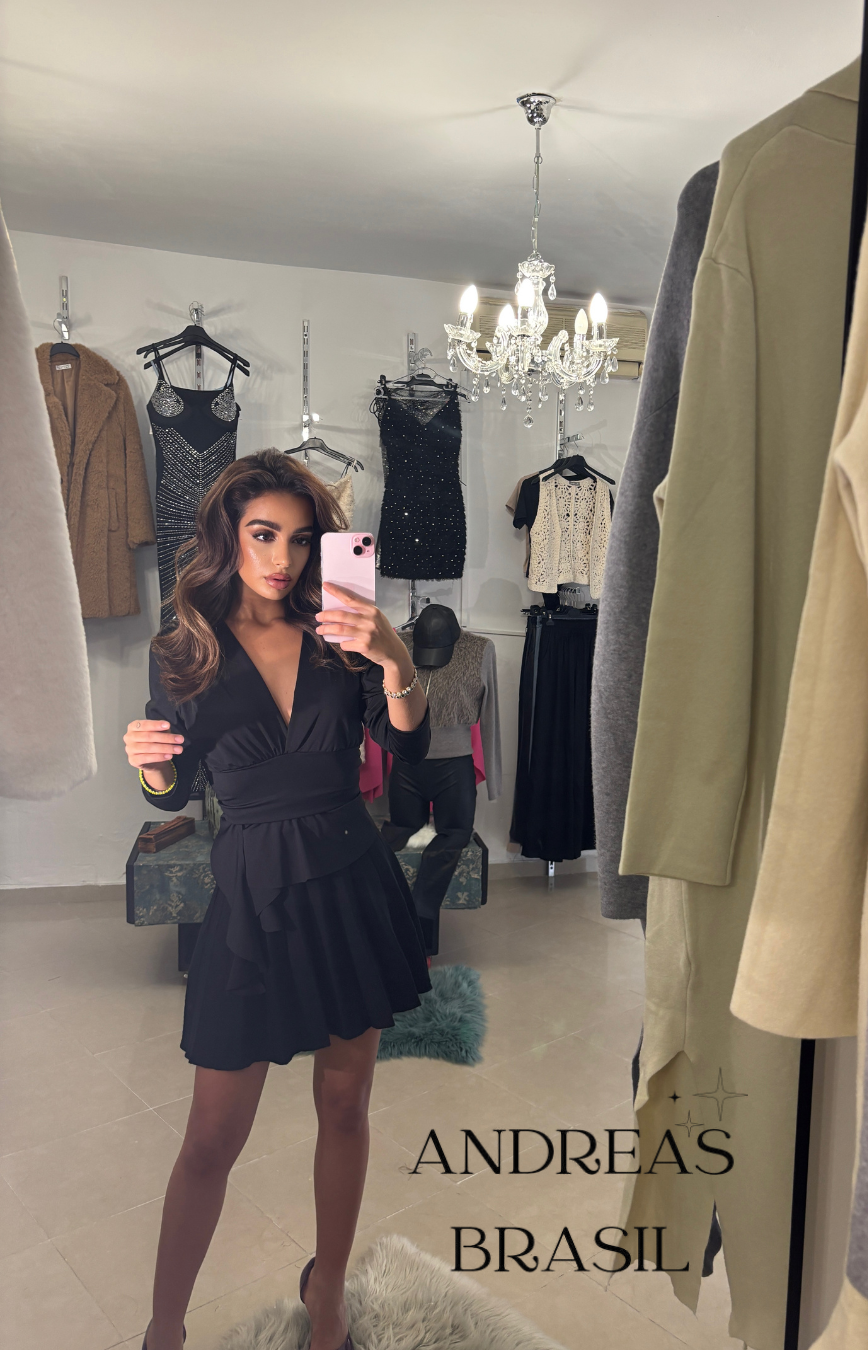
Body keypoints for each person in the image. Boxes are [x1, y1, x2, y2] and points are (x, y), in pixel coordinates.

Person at [123, 449, 432, 1350]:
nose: (283, 558)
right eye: (264, 535)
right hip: (252, 898)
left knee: (346, 1106)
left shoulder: (340, 632)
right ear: (229, 534)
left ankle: (327, 1290)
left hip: (351, 883)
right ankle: (165, 1327)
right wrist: (150, 769)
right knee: (209, 1139)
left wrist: (394, 657)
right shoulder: (183, 648)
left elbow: (407, 750)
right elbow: (172, 790)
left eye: (301, 540)